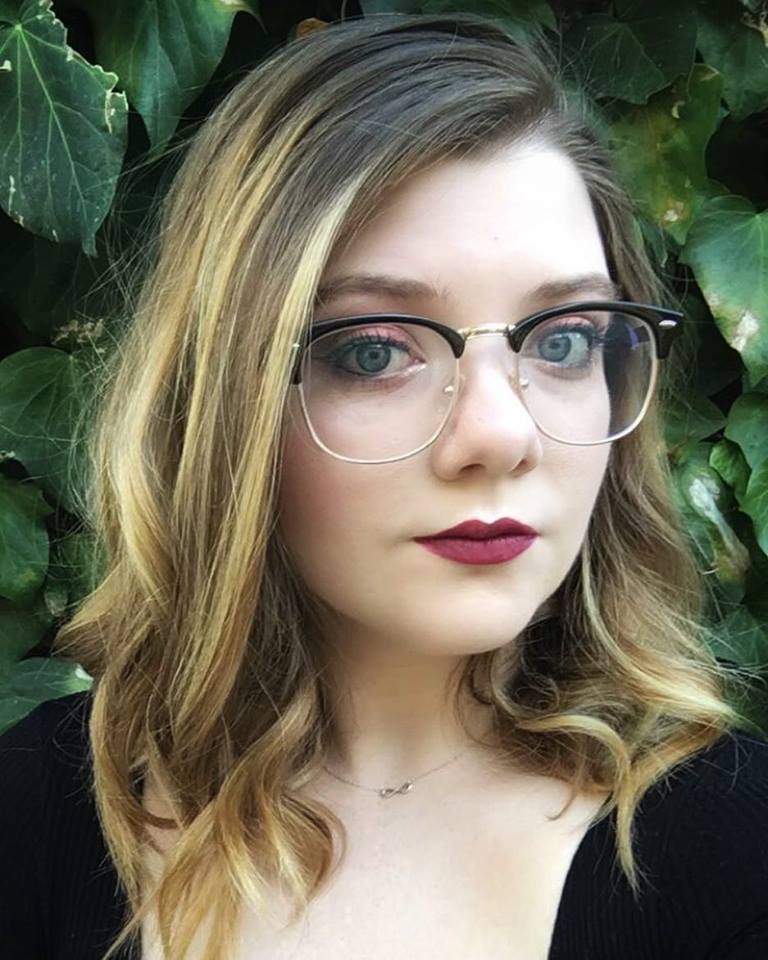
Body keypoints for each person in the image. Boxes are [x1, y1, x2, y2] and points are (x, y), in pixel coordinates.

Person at [1, 11, 767, 960]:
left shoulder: (738, 857)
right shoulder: (36, 818)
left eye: (566, 339)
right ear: (224, 400)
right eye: (372, 351)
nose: (501, 436)